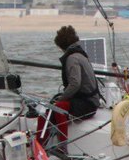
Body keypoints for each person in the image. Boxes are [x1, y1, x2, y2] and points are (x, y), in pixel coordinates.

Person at [38, 24, 103, 152]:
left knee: (58, 108)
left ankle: (63, 147)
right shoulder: (80, 54)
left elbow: (75, 84)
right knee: (45, 115)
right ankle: (39, 147)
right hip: (86, 100)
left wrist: (61, 98)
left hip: (89, 103)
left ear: (61, 45)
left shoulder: (72, 58)